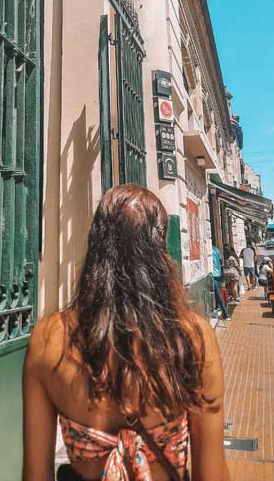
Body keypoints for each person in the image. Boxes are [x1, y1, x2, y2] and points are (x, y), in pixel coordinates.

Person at [22, 185, 231, 481]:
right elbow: (212, 474)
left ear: (96, 244)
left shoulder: (49, 340)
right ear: (161, 249)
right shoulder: (194, 339)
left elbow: (34, 474)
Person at [212, 244, 231, 321]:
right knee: (218, 293)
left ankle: (226, 313)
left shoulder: (209, 250)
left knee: (218, 294)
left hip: (213, 274)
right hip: (219, 273)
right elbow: (221, 262)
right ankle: (217, 308)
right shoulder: (216, 249)